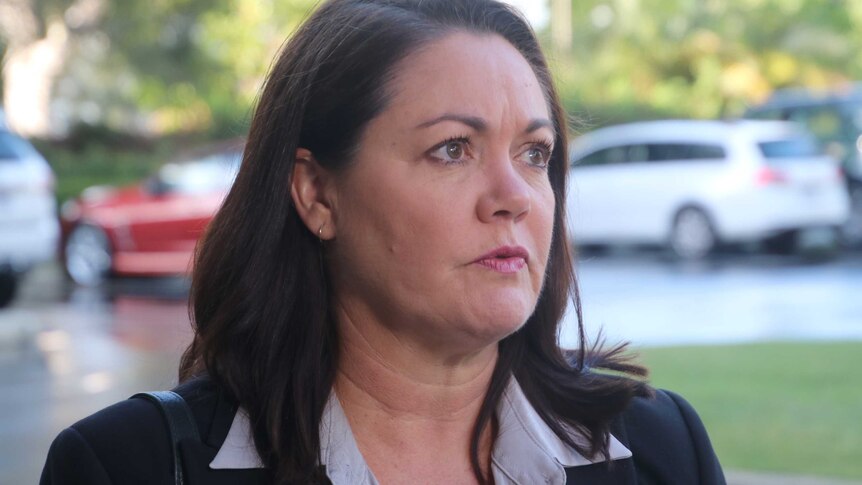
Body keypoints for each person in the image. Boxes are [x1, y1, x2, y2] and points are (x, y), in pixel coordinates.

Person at [41, 0, 726, 484]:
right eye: (453, 149)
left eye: (535, 152)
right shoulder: (128, 465)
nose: (514, 195)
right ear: (316, 192)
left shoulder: (660, 448)